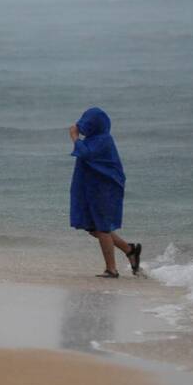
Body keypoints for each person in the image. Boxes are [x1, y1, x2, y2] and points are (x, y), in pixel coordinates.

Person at [69, 107, 139, 277]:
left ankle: (111, 269)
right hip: (92, 187)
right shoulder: (93, 139)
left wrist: (74, 137)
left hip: (105, 188)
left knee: (102, 228)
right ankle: (130, 250)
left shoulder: (103, 140)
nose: (82, 126)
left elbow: (85, 153)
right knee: (93, 228)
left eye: (87, 123)